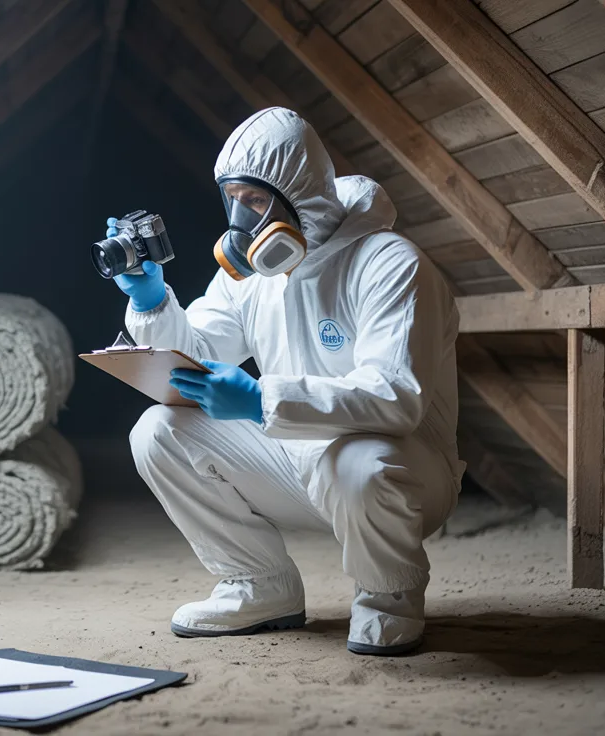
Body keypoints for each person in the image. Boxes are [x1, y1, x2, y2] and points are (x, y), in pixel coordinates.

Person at [110, 107, 463, 656]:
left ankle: (388, 596)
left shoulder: (390, 264)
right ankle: (259, 585)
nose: (239, 218)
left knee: (358, 462)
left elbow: (397, 398)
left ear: (301, 192)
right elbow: (198, 354)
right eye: (231, 199)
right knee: (158, 429)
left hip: (403, 476)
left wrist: (260, 400)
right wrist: (152, 301)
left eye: (253, 201)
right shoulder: (254, 277)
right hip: (296, 462)